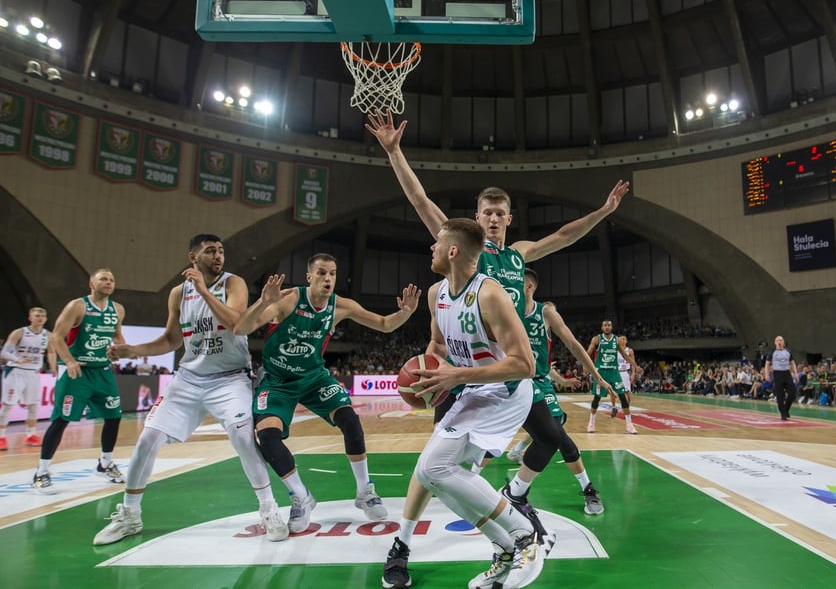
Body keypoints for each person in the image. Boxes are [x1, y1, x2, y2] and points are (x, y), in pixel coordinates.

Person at [367, 109, 629, 589]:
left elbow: (564, 235)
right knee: (435, 467)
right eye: (484, 213)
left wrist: (604, 212)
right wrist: (395, 154)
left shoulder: (515, 257)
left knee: (544, 438)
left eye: (498, 213)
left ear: (509, 219)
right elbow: (421, 201)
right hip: (468, 374)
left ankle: (516, 516)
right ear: (474, 221)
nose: (491, 219)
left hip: (508, 374)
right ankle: (417, 542)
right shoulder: (463, 252)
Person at [93, 234, 288, 545]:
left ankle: (269, 509)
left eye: (221, 250)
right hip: (188, 378)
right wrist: (134, 350)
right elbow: (172, 340)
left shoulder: (233, 283)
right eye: (210, 251)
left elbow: (237, 322)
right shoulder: (177, 293)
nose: (218, 255)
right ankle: (130, 515)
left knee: (242, 436)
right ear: (193, 257)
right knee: (147, 439)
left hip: (230, 378)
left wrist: (204, 292)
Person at [233, 254, 421, 534]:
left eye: (332, 273)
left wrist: (405, 312)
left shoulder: (341, 306)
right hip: (278, 381)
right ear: (309, 277)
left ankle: (365, 491)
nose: (328, 278)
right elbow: (241, 328)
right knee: (268, 437)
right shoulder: (288, 300)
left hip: (314, 377)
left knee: (350, 421)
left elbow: (384, 324)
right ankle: (301, 496)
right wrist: (263, 302)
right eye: (321, 273)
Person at [407, 218, 543, 589]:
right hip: (473, 390)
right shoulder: (436, 294)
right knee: (429, 472)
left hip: (506, 392)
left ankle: (524, 535)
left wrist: (457, 375)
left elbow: (525, 365)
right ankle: (503, 548)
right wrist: (426, 373)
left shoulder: (490, 294)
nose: (431, 247)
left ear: (453, 251)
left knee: (436, 467)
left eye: (437, 242)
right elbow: (437, 346)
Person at [502, 268, 610, 521]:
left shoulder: (546, 313)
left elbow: (573, 344)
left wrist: (596, 375)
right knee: (484, 438)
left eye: (516, 282)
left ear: (529, 286)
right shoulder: (505, 311)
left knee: (556, 433)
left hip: (538, 382)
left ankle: (587, 488)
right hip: (509, 381)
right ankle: (477, 483)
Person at [34, 269, 126, 493]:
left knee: (114, 416)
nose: (108, 282)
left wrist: (122, 350)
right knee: (61, 419)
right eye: (103, 279)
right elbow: (56, 336)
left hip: (102, 371)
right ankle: (42, 471)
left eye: (111, 279)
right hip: (77, 371)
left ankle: (105, 463)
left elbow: (117, 336)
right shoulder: (77, 306)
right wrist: (69, 361)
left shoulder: (118, 309)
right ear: (91, 284)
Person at [0, 307, 57, 450]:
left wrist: (53, 367)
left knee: (33, 405)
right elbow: (4, 352)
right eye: (37, 315)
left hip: (33, 373)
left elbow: (51, 353)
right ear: (30, 318)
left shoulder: (48, 335)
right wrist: (17, 359)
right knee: (8, 405)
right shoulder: (19, 332)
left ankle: (31, 435)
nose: (40, 318)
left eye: (42, 316)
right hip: (15, 372)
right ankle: (1, 437)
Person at [586, 320, 642, 434]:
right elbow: (588, 353)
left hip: (614, 372)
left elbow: (624, 355)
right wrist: (584, 365)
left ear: (611, 327)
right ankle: (591, 423)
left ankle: (629, 425)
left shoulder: (616, 340)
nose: (607, 327)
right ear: (602, 327)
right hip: (601, 372)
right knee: (597, 398)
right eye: (605, 325)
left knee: (622, 397)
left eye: (609, 325)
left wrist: (635, 366)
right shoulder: (597, 339)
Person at [764, 335, 798, 420]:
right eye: (777, 340)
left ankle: (786, 409)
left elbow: (792, 363)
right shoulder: (772, 352)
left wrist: (795, 373)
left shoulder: (788, 351)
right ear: (775, 342)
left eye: (781, 340)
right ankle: (783, 413)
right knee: (780, 395)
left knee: (792, 393)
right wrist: (767, 374)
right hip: (777, 374)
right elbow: (767, 364)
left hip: (787, 373)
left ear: (783, 342)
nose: (779, 342)